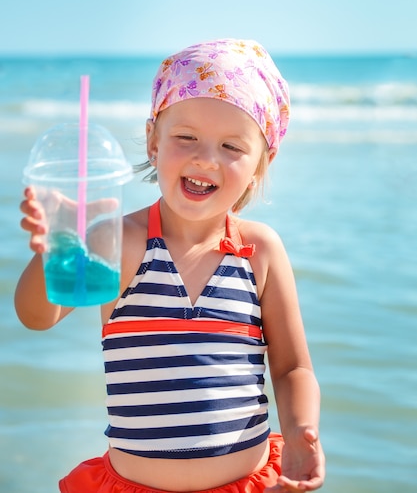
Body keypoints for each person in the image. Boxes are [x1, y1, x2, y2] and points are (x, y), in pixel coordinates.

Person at [16, 39, 325, 493]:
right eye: (186, 137)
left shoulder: (259, 251)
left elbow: (293, 368)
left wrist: (300, 431)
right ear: (152, 140)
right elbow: (38, 316)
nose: (206, 157)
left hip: (246, 482)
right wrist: (55, 251)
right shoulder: (120, 241)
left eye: (231, 146)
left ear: (263, 161)